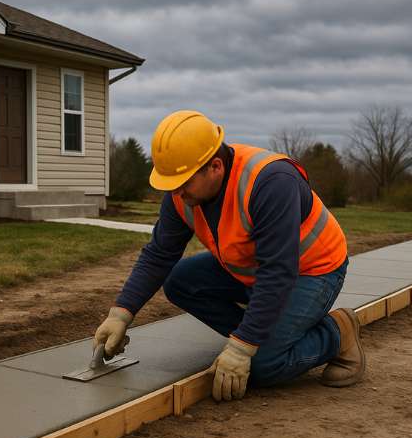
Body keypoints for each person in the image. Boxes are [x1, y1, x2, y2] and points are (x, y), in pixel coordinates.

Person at [93, 110, 364, 402]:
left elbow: (278, 272)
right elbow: (159, 254)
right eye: (172, 184)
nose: (177, 193)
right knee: (180, 281)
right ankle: (269, 332)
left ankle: (337, 332)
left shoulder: (270, 182)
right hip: (254, 269)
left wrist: (242, 348)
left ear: (216, 167)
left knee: (263, 366)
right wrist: (120, 314)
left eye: (184, 183)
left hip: (311, 270)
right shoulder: (181, 193)